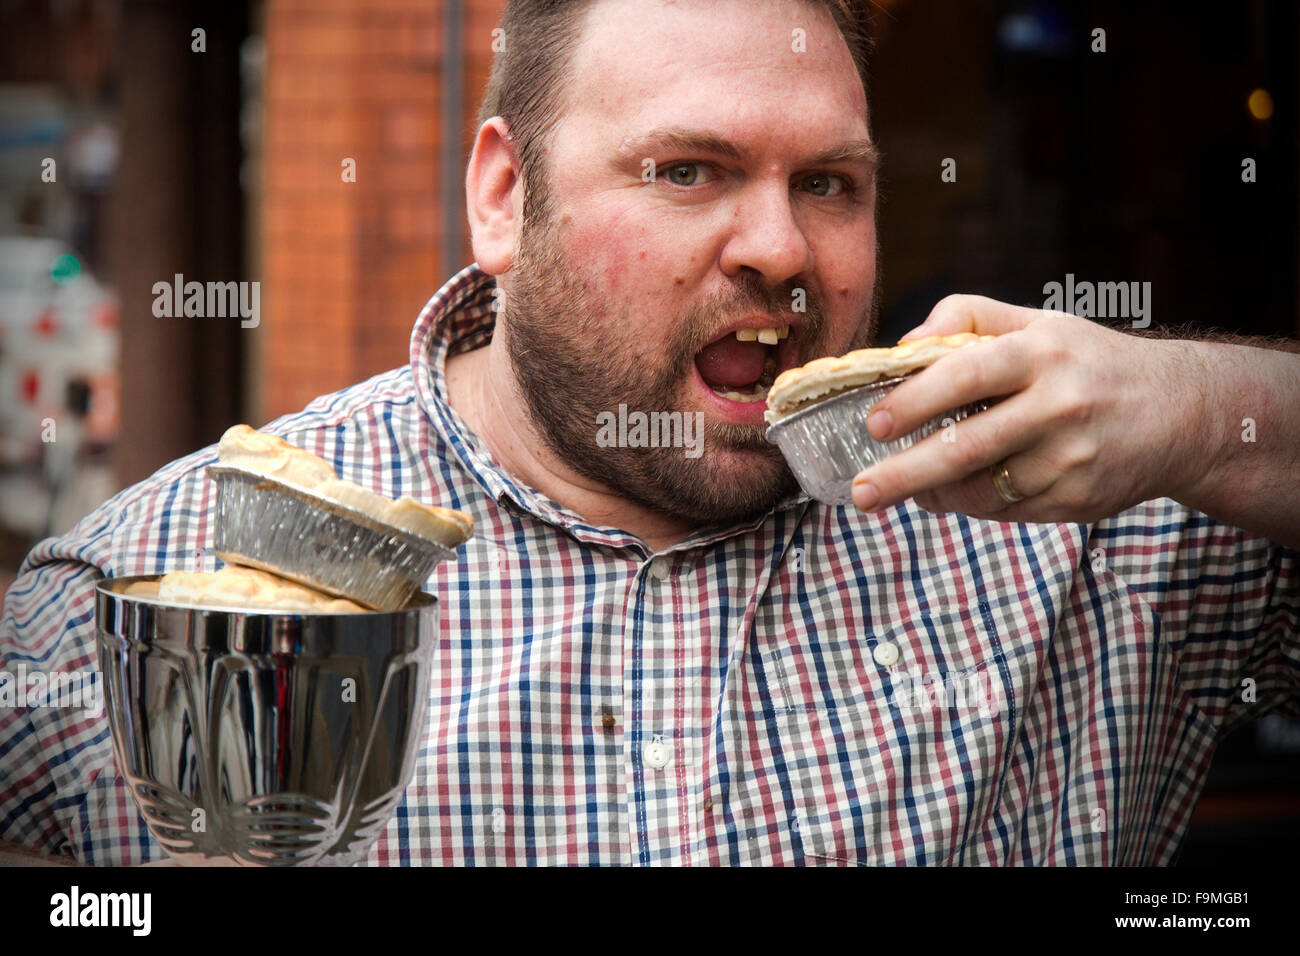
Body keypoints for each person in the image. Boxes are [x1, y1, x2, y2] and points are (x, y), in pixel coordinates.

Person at [2, 0, 1297, 866]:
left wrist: (1194, 405)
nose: (785, 250)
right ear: (507, 200)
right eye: (690, 171)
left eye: (830, 185)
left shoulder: (1087, 528)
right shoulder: (146, 589)